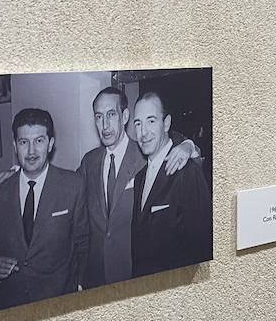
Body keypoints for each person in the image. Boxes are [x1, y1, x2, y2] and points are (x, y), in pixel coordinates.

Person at [77, 86, 200, 289]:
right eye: (98, 117)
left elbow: (169, 143)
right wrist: (19, 174)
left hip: (134, 275)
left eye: (111, 115)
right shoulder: (89, 162)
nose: (105, 125)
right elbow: (67, 191)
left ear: (124, 116)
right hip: (96, 278)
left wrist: (189, 145)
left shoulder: (145, 153)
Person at [0, 108, 89, 313]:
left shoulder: (73, 186)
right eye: (24, 142)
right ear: (15, 146)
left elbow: (84, 245)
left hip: (59, 307)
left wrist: (78, 289)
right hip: (9, 309)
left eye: (39, 141)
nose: (32, 151)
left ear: (51, 144)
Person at [130, 90, 212, 279]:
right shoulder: (140, 177)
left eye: (151, 121)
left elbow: (201, 247)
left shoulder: (187, 172)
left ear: (166, 123)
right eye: (138, 123)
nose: (143, 133)